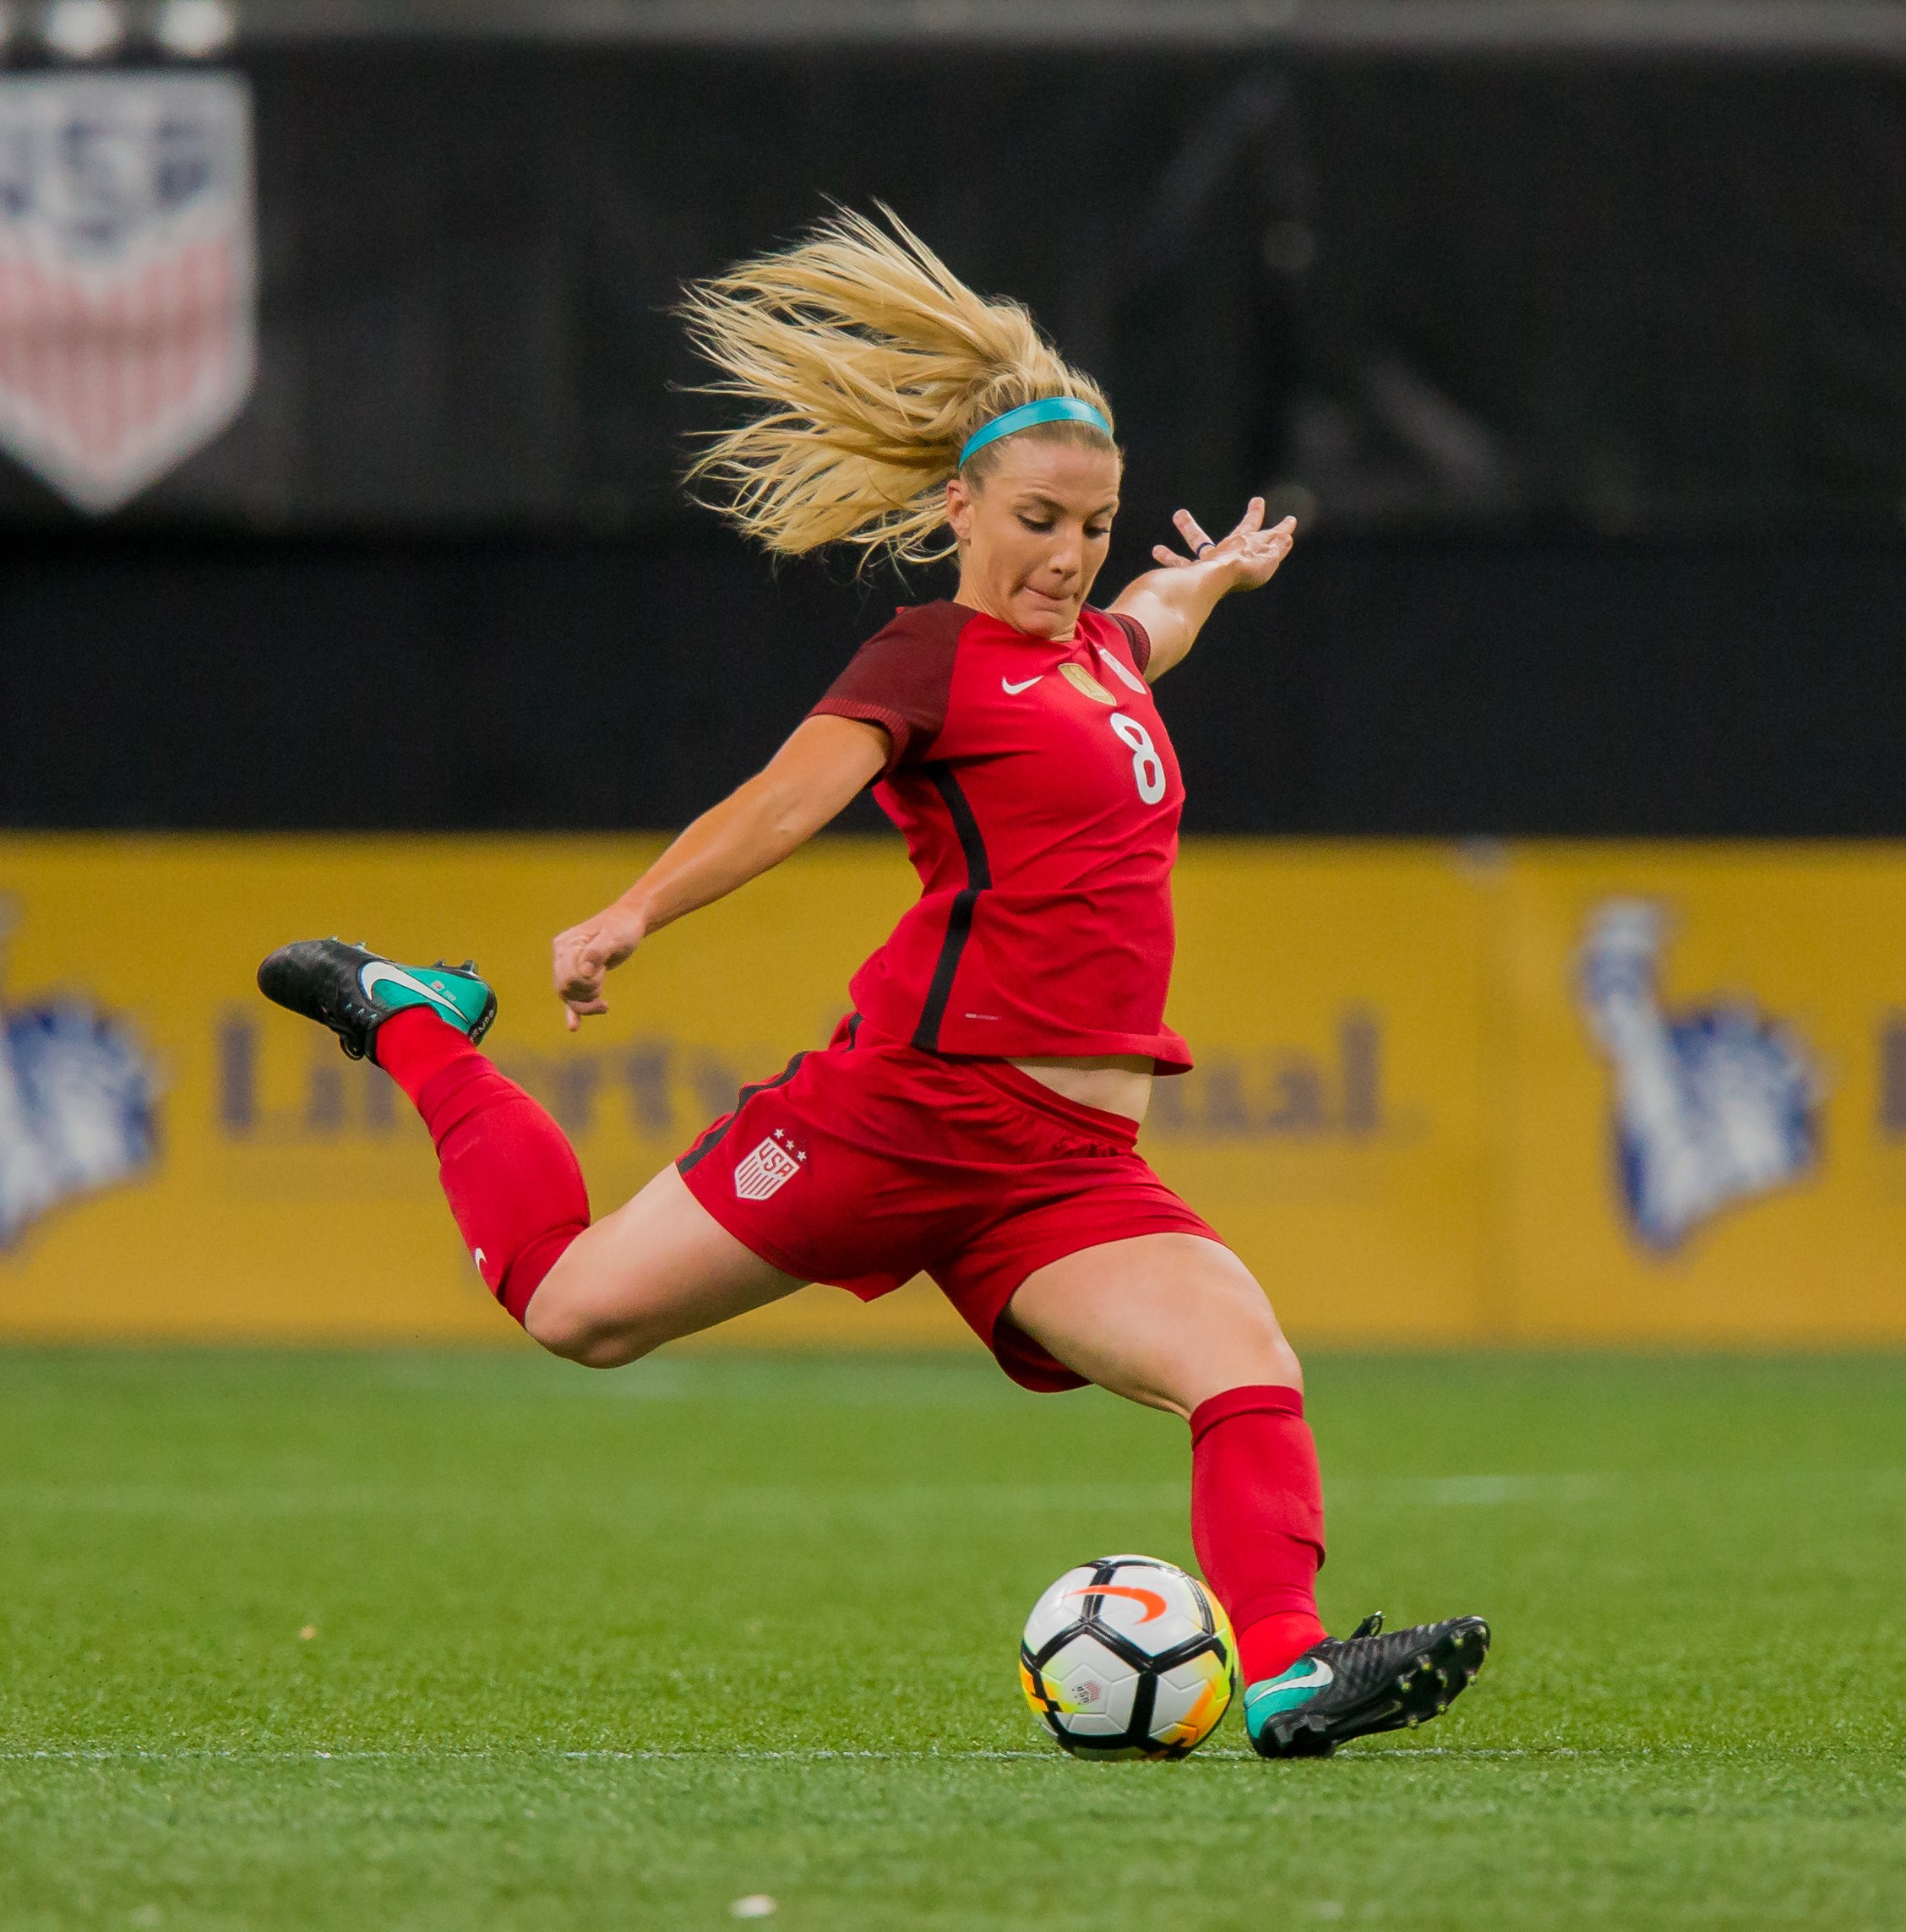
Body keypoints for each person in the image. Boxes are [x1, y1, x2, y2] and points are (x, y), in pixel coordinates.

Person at [258, 210, 1488, 1757]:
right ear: (961, 502)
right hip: (903, 1112)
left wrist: (1213, 582)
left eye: (1095, 526)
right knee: (575, 1312)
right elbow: (783, 799)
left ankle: (1294, 1671)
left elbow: (1145, 628)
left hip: (1062, 1172)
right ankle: (417, 1026)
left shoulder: (1101, 653)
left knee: (1243, 1365)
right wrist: (636, 911)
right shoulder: (928, 661)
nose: (1069, 555)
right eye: (1039, 520)